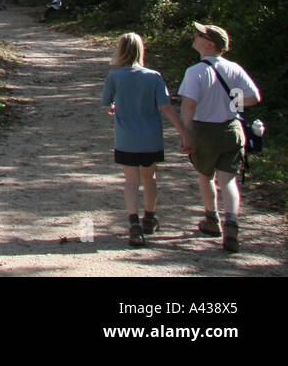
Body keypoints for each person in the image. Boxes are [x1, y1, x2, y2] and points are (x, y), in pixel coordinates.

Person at [178, 23, 261, 252]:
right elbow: (254, 97)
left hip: (204, 131)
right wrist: (233, 103)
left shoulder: (195, 72)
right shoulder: (234, 68)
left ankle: (212, 220)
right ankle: (232, 224)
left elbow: (188, 106)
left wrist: (186, 134)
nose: (194, 36)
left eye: (199, 35)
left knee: (205, 177)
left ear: (209, 44)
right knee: (229, 180)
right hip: (232, 130)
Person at [102, 33, 188, 246]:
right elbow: (166, 106)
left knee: (131, 181)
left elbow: (107, 103)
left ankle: (133, 224)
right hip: (150, 138)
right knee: (150, 178)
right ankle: (149, 217)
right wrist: (183, 132)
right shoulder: (154, 76)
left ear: (120, 50)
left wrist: (113, 108)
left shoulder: (115, 77)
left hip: (126, 139)